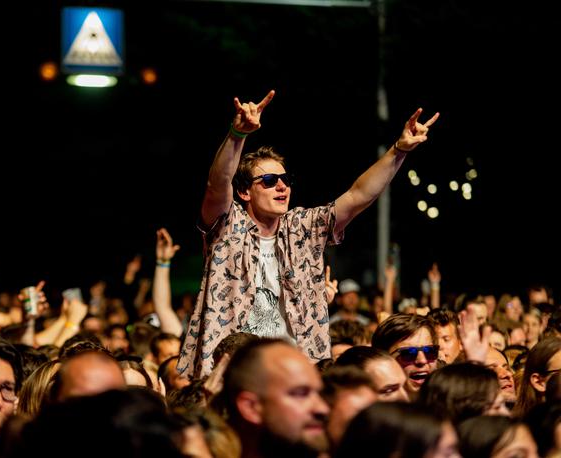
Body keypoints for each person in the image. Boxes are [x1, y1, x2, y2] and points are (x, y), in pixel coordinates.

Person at [178, 90, 439, 378]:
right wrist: (237, 134)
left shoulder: (302, 226)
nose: (282, 187)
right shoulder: (227, 224)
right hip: (235, 374)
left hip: (298, 372)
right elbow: (218, 184)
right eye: (268, 180)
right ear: (244, 192)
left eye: (285, 180)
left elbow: (358, 195)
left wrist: (398, 150)